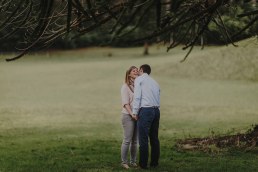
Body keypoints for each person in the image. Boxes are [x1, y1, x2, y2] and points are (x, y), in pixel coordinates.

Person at [132, 64, 160, 169]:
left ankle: (143, 165)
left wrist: (134, 112)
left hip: (146, 110)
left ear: (142, 70)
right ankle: (154, 163)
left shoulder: (139, 79)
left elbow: (137, 96)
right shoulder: (155, 82)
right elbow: (158, 96)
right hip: (156, 110)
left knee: (143, 139)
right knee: (154, 138)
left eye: (138, 70)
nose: (137, 72)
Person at [120, 66, 139, 169]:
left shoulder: (138, 86)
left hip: (137, 116)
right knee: (127, 140)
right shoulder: (125, 87)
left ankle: (133, 161)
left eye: (137, 70)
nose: (136, 71)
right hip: (128, 116)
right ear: (129, 74)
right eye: (134, 70)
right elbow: (125, 103)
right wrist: (132, 114)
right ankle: (124, 162)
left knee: (135, 141)